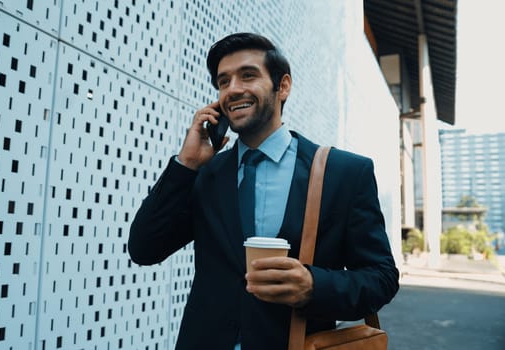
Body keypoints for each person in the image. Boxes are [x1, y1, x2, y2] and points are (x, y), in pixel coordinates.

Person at [128, 32, 399, 350]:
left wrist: (314, 286)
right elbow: (144, 248)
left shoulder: (345, 172)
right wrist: (185, 164)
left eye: (248, 75)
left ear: (282, 86)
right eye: (223, 81)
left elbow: (381, 278)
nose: (233, 90)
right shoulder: (206, 174)